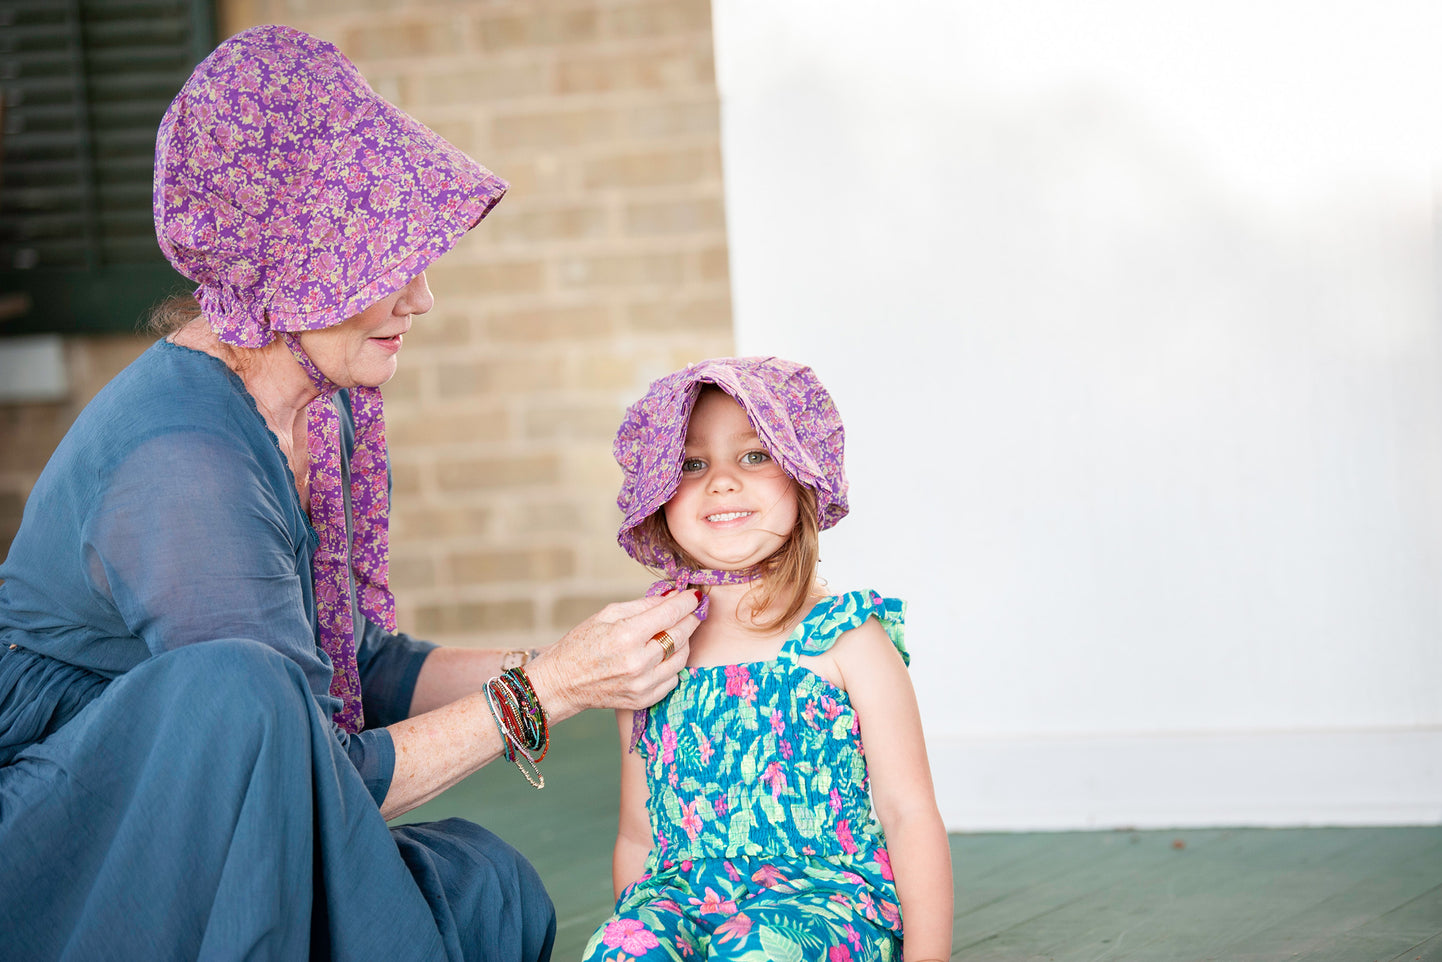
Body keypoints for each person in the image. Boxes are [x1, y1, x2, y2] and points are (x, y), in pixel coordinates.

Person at [0, 25, 701, 962]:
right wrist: (554, 689)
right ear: (293, 270)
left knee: (488, 888)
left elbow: (353, 668)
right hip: (76, 845)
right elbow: (298, 764)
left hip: (216, 806)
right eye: (383, 264)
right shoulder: (182, 464)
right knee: (245, 697)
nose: (420, 298)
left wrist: (589, 657)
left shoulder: (307, 408)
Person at [582, 358, 953, 962]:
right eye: (692, 464)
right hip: (681, 897)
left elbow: (909, 814)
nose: (722, 482)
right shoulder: (654, 650)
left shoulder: (847, 638)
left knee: (762, 949)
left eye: (754, 456)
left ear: (804, 474)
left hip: (826, 901)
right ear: (659, 494)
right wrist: (636, 933)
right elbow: (637, 832)